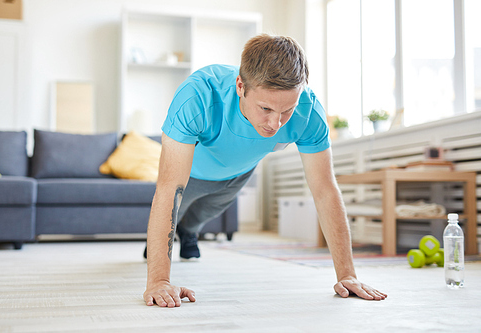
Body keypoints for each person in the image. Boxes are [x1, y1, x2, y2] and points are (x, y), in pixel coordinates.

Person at [143, 34, 387, 308]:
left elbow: (325, 191)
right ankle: (158, 248)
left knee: (202, 215)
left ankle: (188, 232)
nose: (276, 123)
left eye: (287, 110)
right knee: (180, 207)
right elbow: (169, 187)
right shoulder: (197, 96)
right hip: (193, 173)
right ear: (240, 86)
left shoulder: (309, 113)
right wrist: (159, 280)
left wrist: (348, 274)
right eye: (266, 108)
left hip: (238, 173)